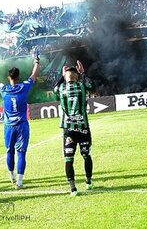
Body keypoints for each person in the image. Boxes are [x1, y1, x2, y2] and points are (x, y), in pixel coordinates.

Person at [0, 50, 40, 189]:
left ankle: (12, 176)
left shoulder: (4, 88)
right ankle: (20, 182)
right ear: (18, 76)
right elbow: (34, 75)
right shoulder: (24, 86)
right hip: (22, 125)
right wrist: (36, 61)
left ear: (9, 77)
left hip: (9, 126)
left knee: (9, 151)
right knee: (21, 152)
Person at [53, 61, 95, 196]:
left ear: (66, 76)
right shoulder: (82, 86)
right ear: (76, 76)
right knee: (86, 156)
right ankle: (89, 182)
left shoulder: (60, 89)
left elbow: (55, 87)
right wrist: (83, 73)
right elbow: (92, 86)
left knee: (69, 159)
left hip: (68, 129)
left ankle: (73, 189)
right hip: (83, 128)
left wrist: (61, 76)